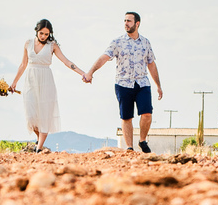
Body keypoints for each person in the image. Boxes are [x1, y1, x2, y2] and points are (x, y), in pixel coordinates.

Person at [85, 12, 163, 153]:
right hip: (123, 84)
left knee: (147, 113)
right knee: (127, 117)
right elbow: (104, 57)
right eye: (125, 20)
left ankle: (142, 141)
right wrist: (91, 72)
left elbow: (151, 64)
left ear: (137, 24)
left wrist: (158, 85)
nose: (126, 23)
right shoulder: (118, 42)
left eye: (129, 21)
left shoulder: (145, 42)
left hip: (142, 83)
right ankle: (129, 148)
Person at [9, 19, 89, 153]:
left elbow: (66, 61)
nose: (43, 37)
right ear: (37, 31)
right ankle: (39, 140)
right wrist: (14, 82)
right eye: (41, 33)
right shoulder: (28, 44)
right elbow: (23, 64)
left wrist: (82, 73)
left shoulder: (53, 45)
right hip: (30, 80)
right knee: (31, 116)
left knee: (45, 115)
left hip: (46, 80)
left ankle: (38, 149)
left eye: (46, 34)